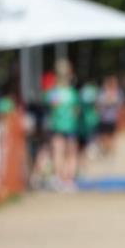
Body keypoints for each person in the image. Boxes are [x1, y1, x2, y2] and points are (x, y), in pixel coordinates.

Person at [45, 58, 80, 192]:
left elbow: (51, 108)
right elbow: (76, 111)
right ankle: (67, 179)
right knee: (69, 153)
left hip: (58, 127)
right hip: (68, 127)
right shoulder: (72, 93)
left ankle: (60, 179)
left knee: (58, 152)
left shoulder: (53, 92)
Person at [95, 73, 124, 156]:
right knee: (103, 136)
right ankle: (106, 149)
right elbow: (99, 103)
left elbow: (119, 103)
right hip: (103, 118)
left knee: (112, 135)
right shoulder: (102, 92)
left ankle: (110, 150)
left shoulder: (118, 92)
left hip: (113, 118)